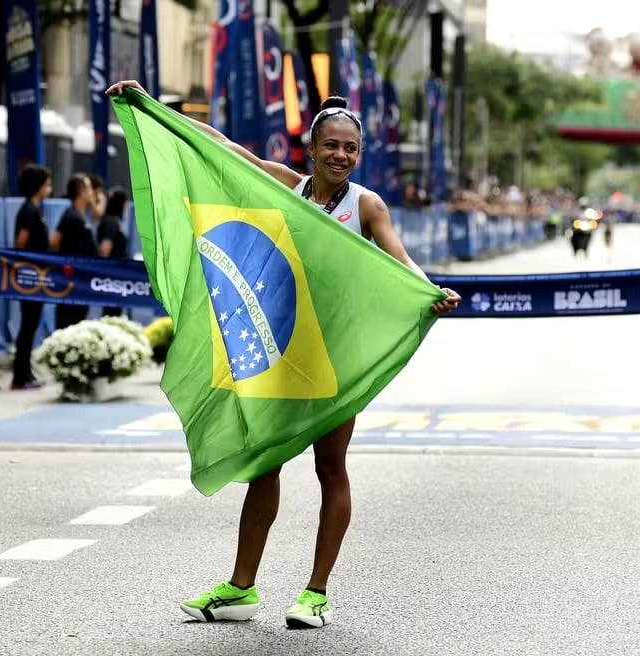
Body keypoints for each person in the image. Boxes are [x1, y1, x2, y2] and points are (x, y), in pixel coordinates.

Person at [107, 79, 462, 629]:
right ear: (311, 151)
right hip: (284, 348)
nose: (340, 155)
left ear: (358, 155)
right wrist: (154, 110)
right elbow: (225, 150)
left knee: (330, 468)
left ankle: (315, 593)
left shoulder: (366, 205)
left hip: (336, 357)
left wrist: (429, 289)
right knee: (265, 467)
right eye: (331, 146)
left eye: (350, 148)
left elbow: (400, 260)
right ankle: (241, 588)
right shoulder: (289, 188)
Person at [11, 163, 53, 390]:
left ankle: (26, 371)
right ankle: (19, 375)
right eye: (47, 184)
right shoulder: (28, 211)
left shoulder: (36, 210)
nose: (50, 188)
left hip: (39, 276)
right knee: (28, 325)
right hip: (30, 276)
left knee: (32, 324)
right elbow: (21, 242)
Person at [50, 173, 96, 329]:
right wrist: (65, 268)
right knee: (68, 323)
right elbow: (55, 241)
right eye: (89, 188)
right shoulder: (71, 216)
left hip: (82, 281)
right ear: (82, 192)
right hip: (71, 283)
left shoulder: (81, 216)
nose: (92, 193)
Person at [97, 187, 130, 317]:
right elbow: (105, 249)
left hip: (116, 278)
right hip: (111, 279)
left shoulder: (113, 221)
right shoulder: (111, 222)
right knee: (111, 314)